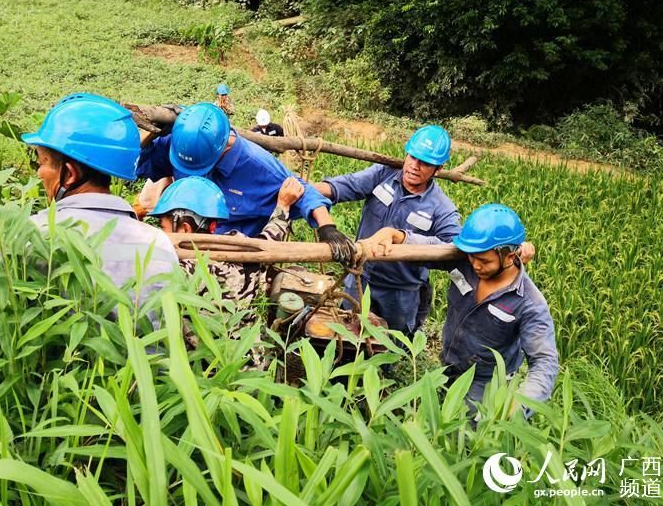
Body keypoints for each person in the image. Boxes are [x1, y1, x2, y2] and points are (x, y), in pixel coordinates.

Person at [0, 93, 179, 316]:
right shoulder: (158, 244)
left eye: (42, 163)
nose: (39, 173)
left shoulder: (26, 235)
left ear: (69, 174)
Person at [360, 204, 558, 409]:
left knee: (463, 435)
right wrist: (397, 236)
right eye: (471, 256)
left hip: (485, 386)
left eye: (484, 261)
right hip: (448, 366)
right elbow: (433, 247)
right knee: (438, 420)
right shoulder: (466, 261)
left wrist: (518, 406)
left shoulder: (530, 303)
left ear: (509, 257)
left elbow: (544, 362)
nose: (475, 265)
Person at [136, 102, 357, 264]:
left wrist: (327, 226)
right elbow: (138, 165)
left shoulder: (258, 165)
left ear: (222, 149)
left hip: (236, 263)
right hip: (182, 253)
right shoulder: (182, 143)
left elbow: (302, 190)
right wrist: (150, 133)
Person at [313, 125, 460, 334]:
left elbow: (454, 250)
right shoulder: (383, 175)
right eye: (413, 157)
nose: (414, 166)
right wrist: (309, 189)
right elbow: (348, 185)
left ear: (439, 169)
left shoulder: (440, 207)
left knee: (389, 344)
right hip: (360, 278)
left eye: (425, 163)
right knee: (348, 335)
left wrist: (402, 238)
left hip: (399, 294)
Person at [151, 175, 303, 303]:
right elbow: (268, 242)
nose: (160, 232)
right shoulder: (239, 251)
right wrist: (283, 206)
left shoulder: (179, 271)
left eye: (162, 227)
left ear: (185, 229)